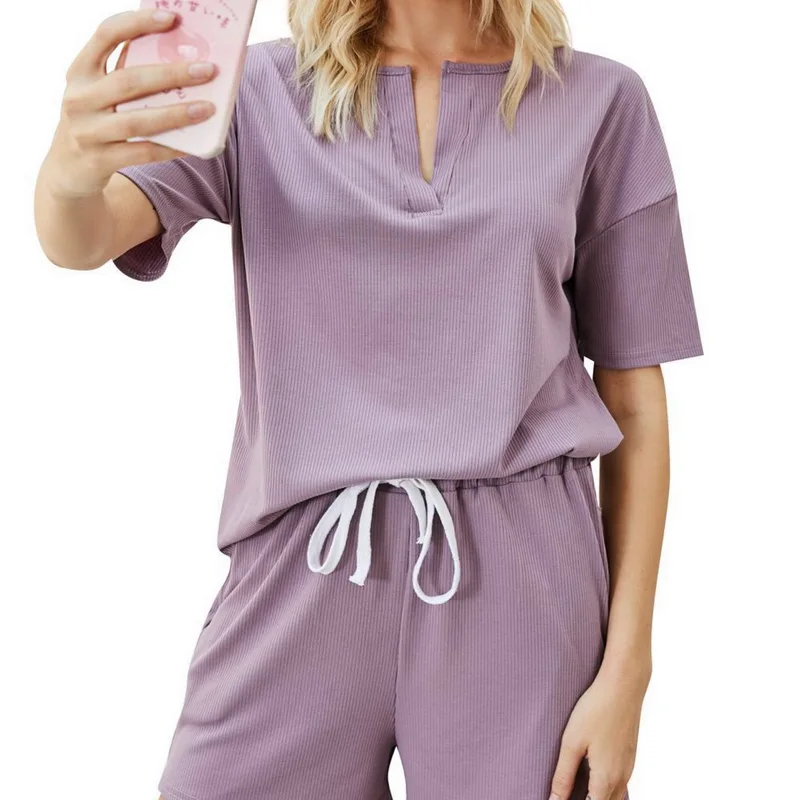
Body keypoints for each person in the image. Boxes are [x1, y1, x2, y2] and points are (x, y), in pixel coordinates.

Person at [33, 1, 703, 799]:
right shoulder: (253, 90)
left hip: (522, 579)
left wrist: (629, 669)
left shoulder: (601, 101)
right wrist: (69, 174)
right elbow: (84, 236)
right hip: (300, 565)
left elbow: (634, 402)